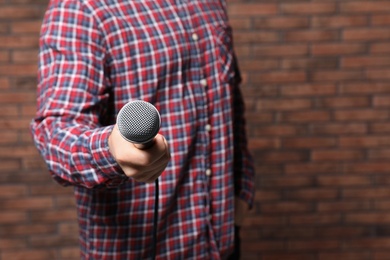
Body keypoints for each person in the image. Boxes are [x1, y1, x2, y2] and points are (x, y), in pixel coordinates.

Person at [30, 0, 255, 259]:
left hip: (221, 243)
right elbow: (56, 133)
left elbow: (230, 102)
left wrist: (242, 190)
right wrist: (110, 147)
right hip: (142, 248)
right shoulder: (81, 8)